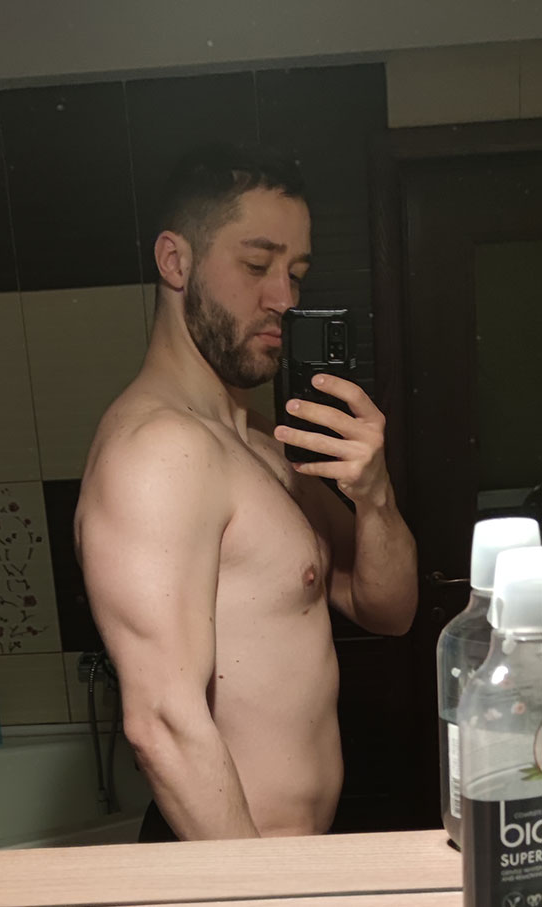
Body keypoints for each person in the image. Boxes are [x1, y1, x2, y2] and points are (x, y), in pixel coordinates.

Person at [74, 144, 418, 842]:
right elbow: (161, 722)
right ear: (175, 262)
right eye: (257, 266)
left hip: (282, 860)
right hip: (232, 867)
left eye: (296, 273)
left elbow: (389, 610)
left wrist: (374, 495)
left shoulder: (259, 440)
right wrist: (262, 887)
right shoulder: (159, 451)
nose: (284, 300)